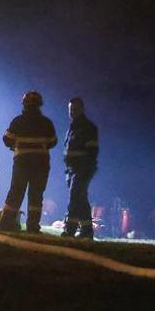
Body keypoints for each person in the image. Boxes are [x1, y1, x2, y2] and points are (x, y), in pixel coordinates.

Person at [0, 90, 57, 233]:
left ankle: (6, 223)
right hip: (41, 164)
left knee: (16, 192)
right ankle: (33, 226)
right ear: (39, 105)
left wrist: (16, 145)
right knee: (36, 195)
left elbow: (6, 139)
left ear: (24, 104)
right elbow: (53, 142)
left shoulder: (18, 121)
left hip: (22, 162)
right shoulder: (47, 123)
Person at [62, 96, 100, 239]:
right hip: (72, 169)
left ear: (82, 109)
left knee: (74, 197)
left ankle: (70, 230)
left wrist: (83, 169)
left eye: (75, 109)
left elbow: (92, 151)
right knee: (81, 199)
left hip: (82, 168)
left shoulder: (88, 127)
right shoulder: (73, 127)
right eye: (71, 109)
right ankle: (86, 230)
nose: (72, 112)